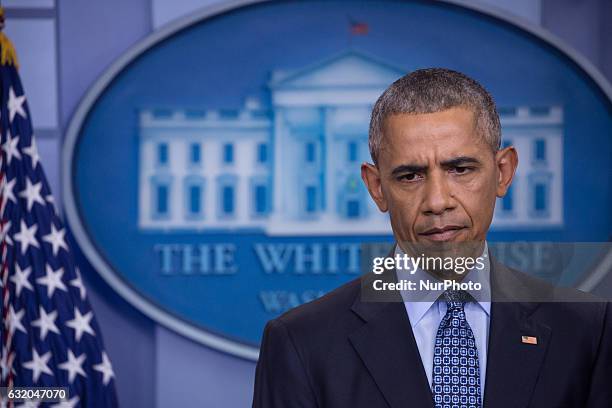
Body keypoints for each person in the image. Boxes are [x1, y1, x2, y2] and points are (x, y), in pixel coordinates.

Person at [252, 69, 612, 408]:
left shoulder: (585, 331)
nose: (437, 201)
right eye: (410, 176)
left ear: (503, 173)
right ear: (377, 188)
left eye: (460, 169)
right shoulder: (302, 343)